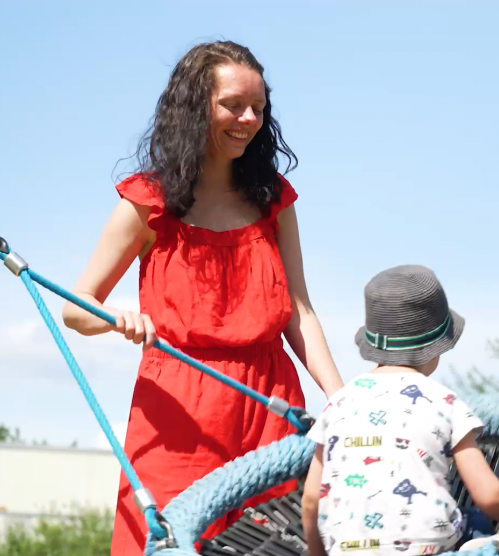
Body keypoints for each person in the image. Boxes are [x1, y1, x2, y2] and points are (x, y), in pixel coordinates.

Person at [61, 41, 344, 556]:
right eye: (233, 104)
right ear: (195, 105)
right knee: (169, 541)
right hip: (177, 411)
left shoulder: (272, 199)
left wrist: (342, 400)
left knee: (273, 545)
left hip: (270, 405)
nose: (249, 118)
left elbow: (299, 310)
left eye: (259, 107)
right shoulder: (147, 201)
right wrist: (115, 317)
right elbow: (74, 309)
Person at [301, 265, 499, 556]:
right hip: (428, 547)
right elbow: (489, 495)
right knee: (477, 521)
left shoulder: (338, 404)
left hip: (348, 550)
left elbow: (311, 499)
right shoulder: (444, 402)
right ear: (435, 349)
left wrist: (317, 553)